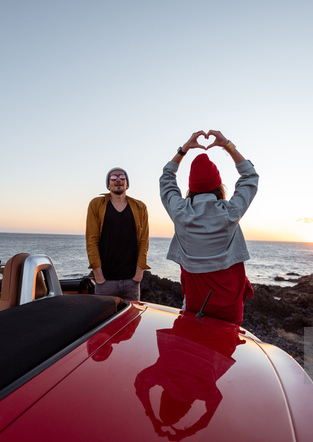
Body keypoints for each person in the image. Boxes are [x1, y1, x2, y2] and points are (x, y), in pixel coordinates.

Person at [159, 130, 258, 324]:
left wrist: (184, 149)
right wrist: (227, 145)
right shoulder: (231, 212)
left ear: (191, 188)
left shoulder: (180, 211)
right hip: (229, 300)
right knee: (226, 350)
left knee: (193, 349)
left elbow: (167, 177)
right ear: (219, 186)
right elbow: (250, 176)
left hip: (197, 301)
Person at [86, 167, 150, 301]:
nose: (118, 180)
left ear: (127, 184)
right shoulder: (96, 204)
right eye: (113, 177)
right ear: (108, 185)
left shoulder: (140, 207)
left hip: (131, 280)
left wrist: (138, 274)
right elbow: (91, 240)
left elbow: (144, 241)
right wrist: (99, 277)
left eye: (122, 177)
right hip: (105, 280)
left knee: (132, 320)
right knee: (105, 319)